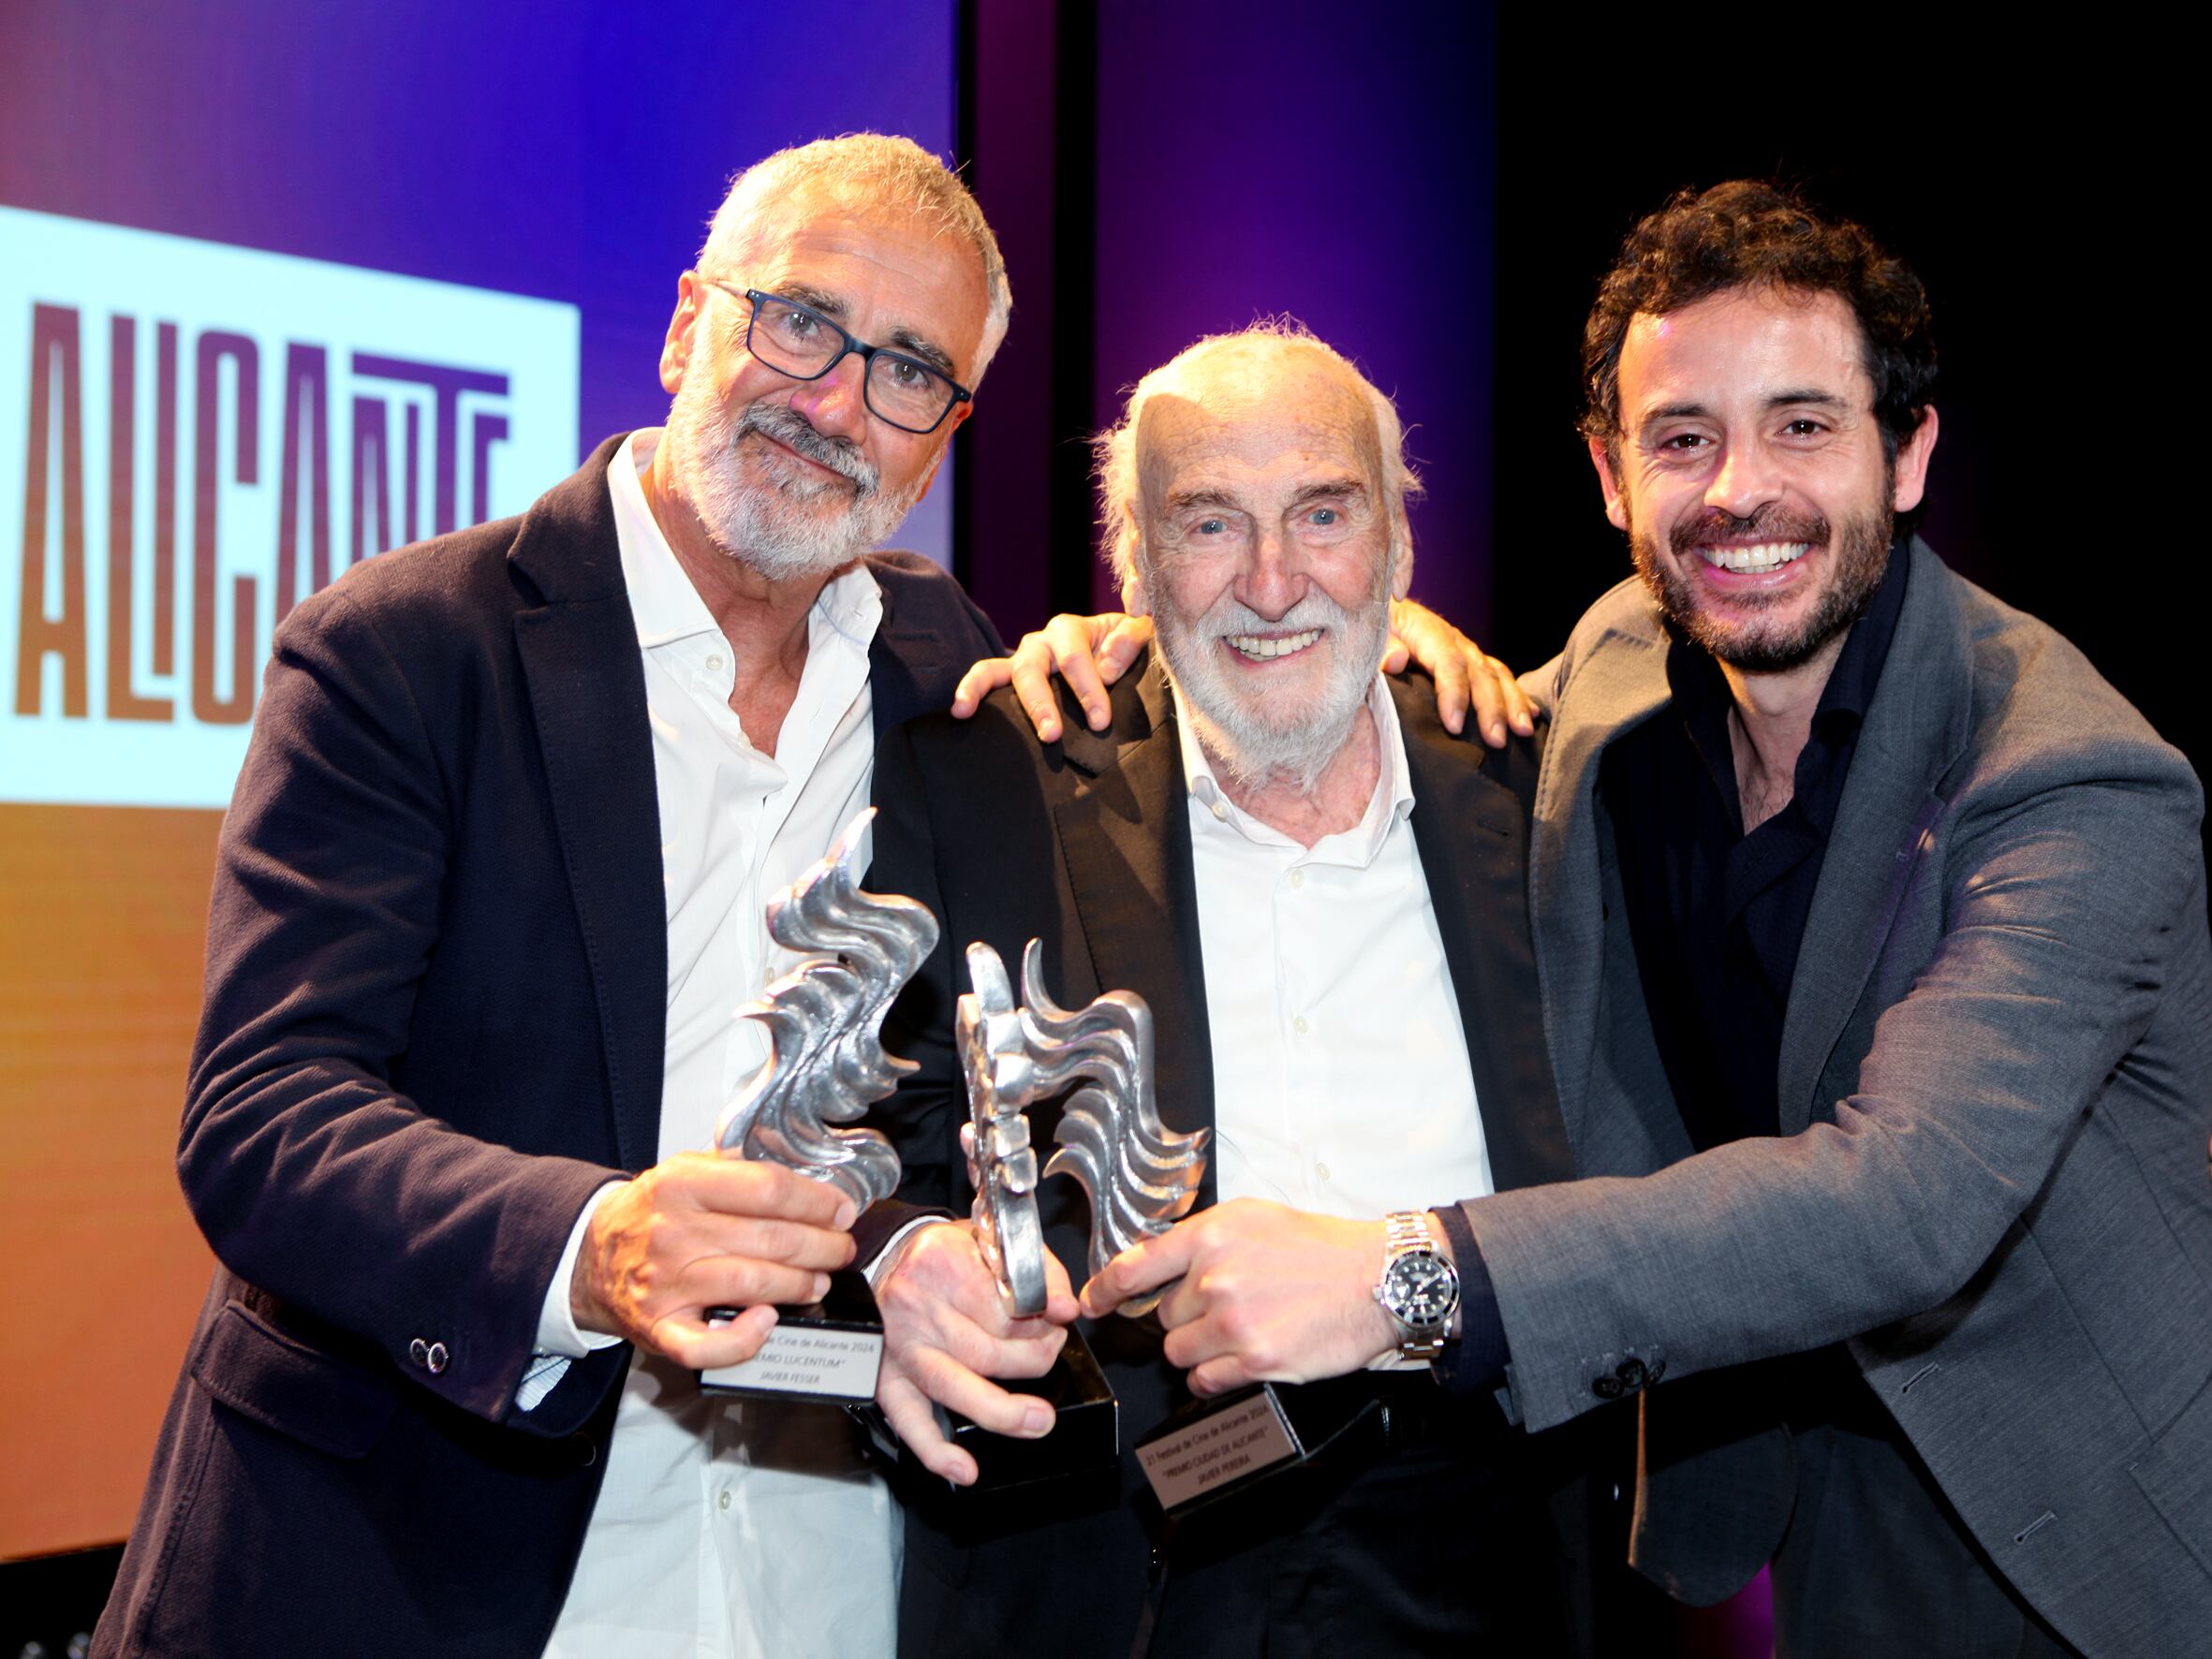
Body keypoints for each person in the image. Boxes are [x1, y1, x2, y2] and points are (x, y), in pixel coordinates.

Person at [1040, 184, 2212, 1656]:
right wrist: (1264, 635)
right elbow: (1357, 699)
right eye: (1680, 438)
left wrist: (1406, 1276)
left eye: (1801, 426)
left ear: (1906, 454)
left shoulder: (2067, 775)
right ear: (1607, 475)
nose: (1736, 491)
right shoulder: (1613, 669)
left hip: (2076, 1518)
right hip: (1782, 1496)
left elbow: (1905, 1197)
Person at [96, 134, 1016, 1659]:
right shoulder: (405, 648)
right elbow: (262, 1116)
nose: (838, 402)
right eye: (798, 321)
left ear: (943, 436)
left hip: (818, 1567)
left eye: (910, 372)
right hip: (424, 1557)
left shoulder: (939, 665)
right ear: (684, 326)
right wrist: (590, 1243)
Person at [863, 323, 1594, 1656]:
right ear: (1134, 570)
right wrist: (908, 1256)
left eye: (1322, 513)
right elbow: (879, 1129)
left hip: (1495, 1533)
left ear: (1394, 545)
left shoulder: (1540, 784)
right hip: (1131, 1556)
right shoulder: (996, 781)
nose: (1272, 581)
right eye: (1207, 524)